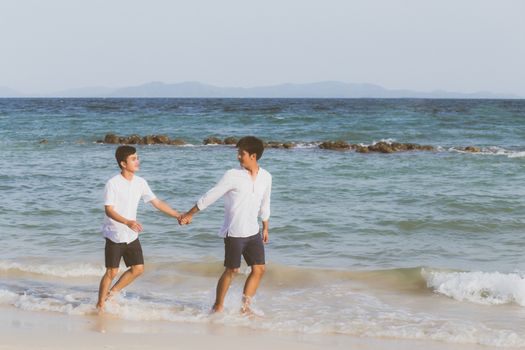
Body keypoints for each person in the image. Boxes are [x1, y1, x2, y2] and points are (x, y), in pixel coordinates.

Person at [180, 136, 272, 314]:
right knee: (232, 270)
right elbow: (211, 195)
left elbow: (265, 203)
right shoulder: (232, 175)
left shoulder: (266, 177)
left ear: (253, 156)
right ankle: (218, 306)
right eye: (238, 153)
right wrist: (190, 213)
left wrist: (266, 226)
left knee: (259, 269)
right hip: (234, 232)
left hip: (253, 232)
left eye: (241, 153)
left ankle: (245, 308)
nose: (238, 156)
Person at [96, 145, 182, 311]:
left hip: (131, 234)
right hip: (114, 233)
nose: (137, 161)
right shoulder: (113, 183)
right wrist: (127, 222)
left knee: (138, 269)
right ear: (123, 163)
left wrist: (177, 215)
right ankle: (100, 305)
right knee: (111, 272)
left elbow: (156, 203)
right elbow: (109, 210)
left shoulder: (140, 182)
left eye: (137, 158)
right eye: (133, 159)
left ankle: (111, 294)